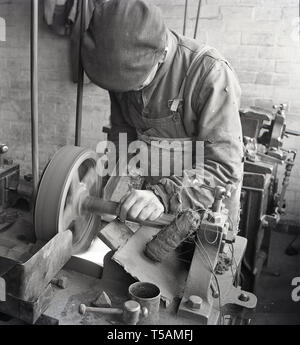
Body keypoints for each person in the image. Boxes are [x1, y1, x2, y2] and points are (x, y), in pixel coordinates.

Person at [82, 0, 244, 232]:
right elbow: (123, 135)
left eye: (138, 84)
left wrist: (163, 194)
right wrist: (100, 176)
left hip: (206, 201)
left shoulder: (210, 74)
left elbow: (224, 168)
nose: (130, 92)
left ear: (161, 55)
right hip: (154, 195)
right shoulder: (121, 75)